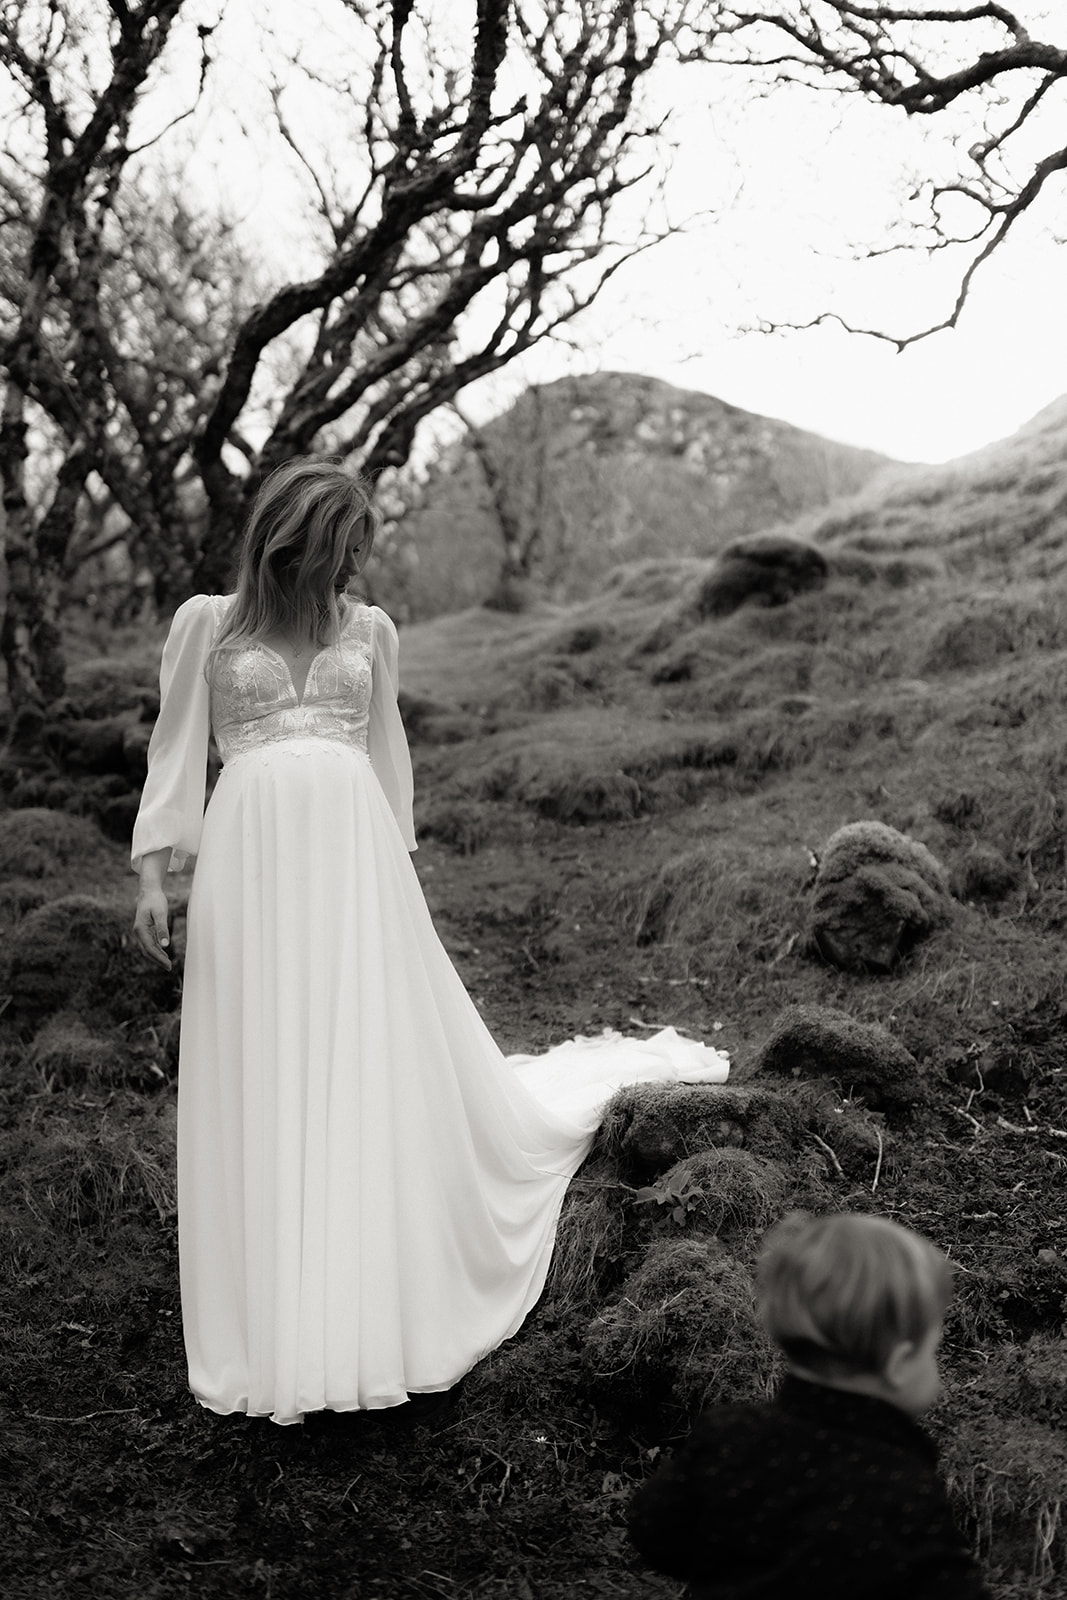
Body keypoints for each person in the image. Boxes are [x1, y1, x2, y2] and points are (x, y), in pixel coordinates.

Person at [131, 456, 729, 1426]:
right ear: (292, 543)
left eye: (355, 551)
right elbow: (174, 752)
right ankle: (277, 1295)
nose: (350, 568)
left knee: (357, 1051)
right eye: (336, 549)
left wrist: (390, 873)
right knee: (266, 1058)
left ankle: (363, 1281)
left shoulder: (369, 630)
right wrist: (155, 875)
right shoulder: (208, 622)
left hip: (353, 864)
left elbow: (384, 755)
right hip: (247, 867)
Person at [627, 1211, 991, 1600]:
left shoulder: (730, 1437)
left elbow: (653, 1529)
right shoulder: (901, 1488)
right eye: (932, 1352)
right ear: (899, 1364)